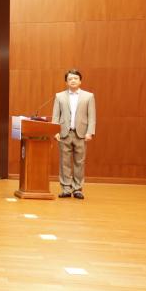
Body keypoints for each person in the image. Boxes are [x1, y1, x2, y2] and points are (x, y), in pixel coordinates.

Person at [52, 69, 96, 199]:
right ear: (66, 82)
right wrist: (55, 131)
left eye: (75, 78)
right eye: (70, 79)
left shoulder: (89, 96)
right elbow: (56, 116)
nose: (73, 81)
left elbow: (92, 116)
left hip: (81, 134)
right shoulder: (59, 96)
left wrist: (90, 132)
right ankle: (66, 188)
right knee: (64, 162)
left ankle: (77, 189)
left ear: (80, 81)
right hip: (64, 133)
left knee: (79, 163)